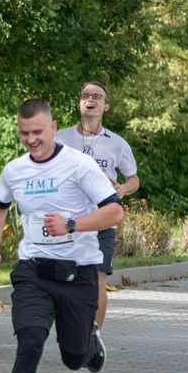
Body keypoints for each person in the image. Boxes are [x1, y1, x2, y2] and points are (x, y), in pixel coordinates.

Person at [0, 98, 125, 373]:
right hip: (33, 271)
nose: (31, 140)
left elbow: (115, 211)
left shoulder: (78, 166)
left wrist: (72, 225)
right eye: (24, 134)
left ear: (53, 127)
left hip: (77, 273)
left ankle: (90, 342)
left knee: (73, 357)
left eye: (37, 132)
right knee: (28, 344)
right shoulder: (14, 170)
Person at [56, 81, 139, 341]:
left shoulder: (117, 144)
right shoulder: (60, 138)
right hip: (67, 221)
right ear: (79, 103)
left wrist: (124, 188)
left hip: (102, 220)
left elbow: (134, 179)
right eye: (85, 96)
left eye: (97, 96)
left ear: (106, 105)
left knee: (97, 279)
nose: (90, 99)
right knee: (63, 281)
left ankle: (92, 336)